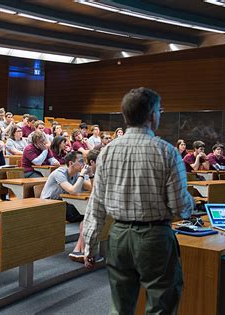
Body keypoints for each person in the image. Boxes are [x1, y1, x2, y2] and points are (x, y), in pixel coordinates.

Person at [84, 87, 194, 314]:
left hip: (118, 236)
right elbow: (181, 208)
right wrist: (192, 202)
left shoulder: (106, 151)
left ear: (125, 116)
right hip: (155, 238)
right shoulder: (167, 152)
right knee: (161, 304)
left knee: (120, 306)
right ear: (152, 115)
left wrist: (90, 244)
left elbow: (96, 204)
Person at [41, 150, 98, 262]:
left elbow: (93, 189)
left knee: (89, 213)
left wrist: (91, 175)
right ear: (71, 163)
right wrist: (82, 175)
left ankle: (79, 249)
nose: (83, 164)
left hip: (63, 204)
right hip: (50, 206)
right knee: (87, 214)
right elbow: (72, 191)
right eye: (80, 161)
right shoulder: (60, 173)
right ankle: (81, 249)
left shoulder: (77, 173)